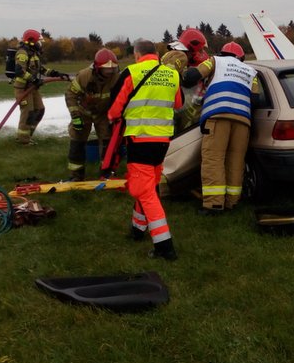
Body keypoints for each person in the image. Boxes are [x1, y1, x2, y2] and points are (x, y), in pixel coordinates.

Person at [107, 39, 183, 260]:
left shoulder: (133, 71)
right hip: (163, 141)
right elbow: (178, 104)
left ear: (137, 54)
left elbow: (114, 107)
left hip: (140, 139)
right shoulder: (172, 74)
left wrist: (114, 119)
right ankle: (137, 229)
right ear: (156, 53)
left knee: (146, 192)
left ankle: (164, 246)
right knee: (147, 184)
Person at [182, 41, 259, 215]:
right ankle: (232, 201)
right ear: (241, 57)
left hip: (218, 116)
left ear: (223, 53)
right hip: (243, 120)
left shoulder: (214, 61)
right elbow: (256, 99)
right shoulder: (251, 71)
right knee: (236, 160)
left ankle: (214, 204)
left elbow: (193, 76)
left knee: (213, 159)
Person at [64, 48, 120, 181]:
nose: (110, 71)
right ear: (97, 67)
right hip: (84, 113)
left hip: (104, 114)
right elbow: (70, 94)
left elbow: (122, 96)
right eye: (107, 68)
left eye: (112, 68)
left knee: (108, 143)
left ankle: (107, 173)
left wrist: (116, 116)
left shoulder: (117, 77)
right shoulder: (84, 76)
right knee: (77, 142)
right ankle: (76, 175)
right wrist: (75, 116)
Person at [11, 29, 69, 145]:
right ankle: (23, 140)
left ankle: (28, 135)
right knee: (28, 113)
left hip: (32, 87)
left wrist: (56, 74)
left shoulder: (33, 54)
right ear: (30, 41)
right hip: (23, 88)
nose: (39, 44)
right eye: (38, 42)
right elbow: (19, 71)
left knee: (39, 110)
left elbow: (41, 69)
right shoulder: (22, 53)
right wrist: (34, 79)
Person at [167, 28, 210, 131]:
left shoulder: (175, 59)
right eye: (200, 50)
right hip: (180, 117)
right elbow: (186, 80)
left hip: (186, 119)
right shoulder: (179, 59)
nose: (202, 53)